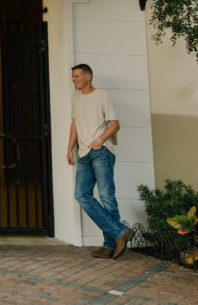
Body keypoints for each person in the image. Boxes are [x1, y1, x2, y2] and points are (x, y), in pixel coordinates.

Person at [67, 63, 132, 260]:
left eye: (77, 76)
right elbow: (75, 124)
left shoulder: (102, 96)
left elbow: (115, 124)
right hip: (84, 154)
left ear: (89, 77)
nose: (74, 79)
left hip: (101, 152)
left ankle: (109, 245)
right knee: (81, 195)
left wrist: (99, 140)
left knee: (106, 197)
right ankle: (119, 232)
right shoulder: (75, 97)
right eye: (73, 76)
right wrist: (70, 147)